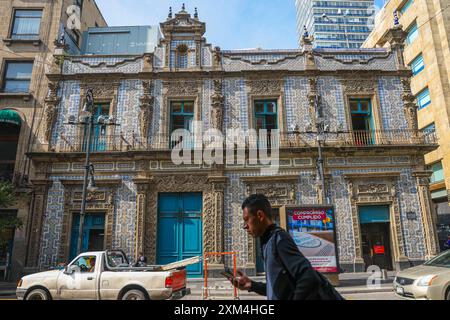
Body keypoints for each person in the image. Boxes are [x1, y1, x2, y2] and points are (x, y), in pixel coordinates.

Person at [228, 194, 343, 300]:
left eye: (246, 219)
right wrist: (252, 285)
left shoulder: (279, 240)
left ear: (260, 215)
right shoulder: (268, 242)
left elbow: (309, 278)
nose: (245, 226)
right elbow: (281, 289)